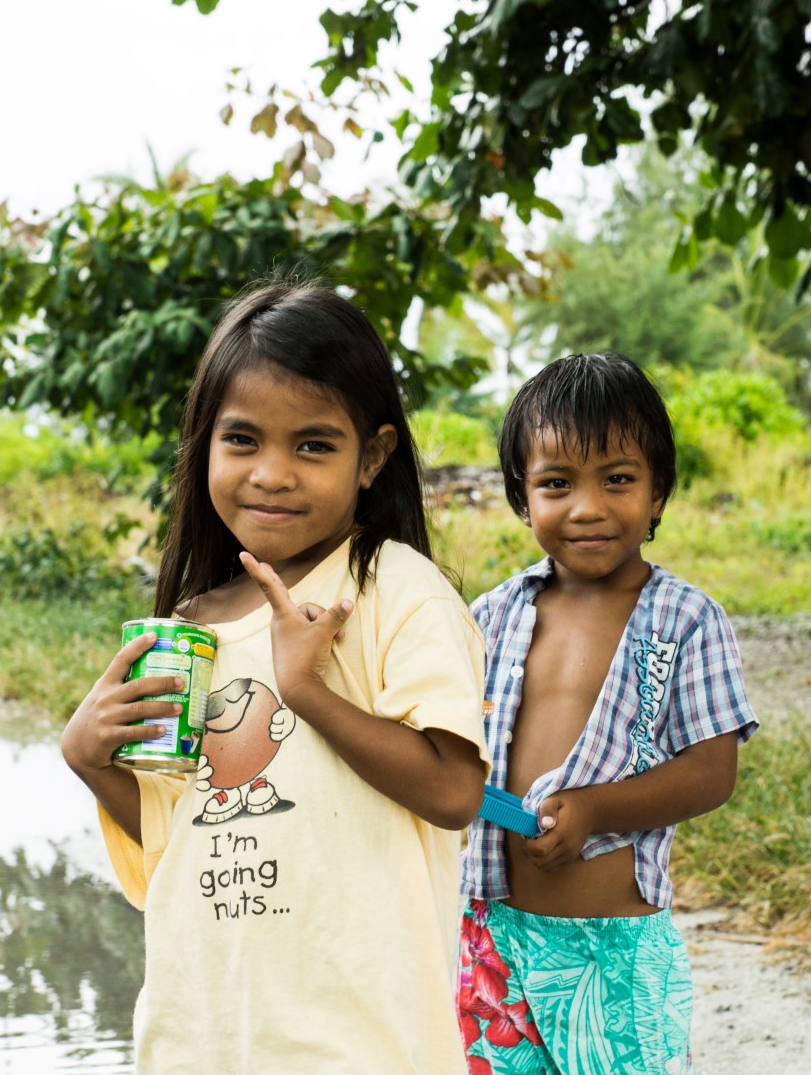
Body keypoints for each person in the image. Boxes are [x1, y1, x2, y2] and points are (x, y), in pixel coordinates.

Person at [61, 281, 489, 1074]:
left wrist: (309, 694)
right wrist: (89, 761)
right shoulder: (189, 627)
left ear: (375, 456)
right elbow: (179, 838)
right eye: (243, 440)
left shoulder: (394, 590)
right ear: (205, 446)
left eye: (314, 445)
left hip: (359, 1046)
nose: (272, 474)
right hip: (203, 1038)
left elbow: (454, 791)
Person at [457, 352, 759, 1075]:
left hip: (613, 953)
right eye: (557, 484)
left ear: (658, 494)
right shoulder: (488, 617)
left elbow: (712, 773)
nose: (587, 508)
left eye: (617, 480)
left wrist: (595, 809)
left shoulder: (686, 619)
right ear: (522, 500)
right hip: (488, 938)